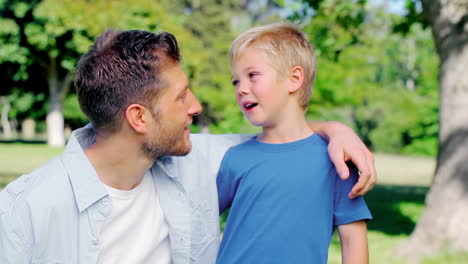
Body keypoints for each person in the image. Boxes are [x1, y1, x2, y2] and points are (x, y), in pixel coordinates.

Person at [0, 29, 375, 264]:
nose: (196, 106)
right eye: (182, 97)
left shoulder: (199, 159)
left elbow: (286, 142)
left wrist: (337, 130)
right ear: (139, 118)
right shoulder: (25, 211)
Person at [216, 22, 372, 264]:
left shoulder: (336, 160)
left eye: (252, 75)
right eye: (236, 81)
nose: (241, 89)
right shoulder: (234, 158)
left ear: (294, 78)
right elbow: (199, 220)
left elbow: (353, 241)